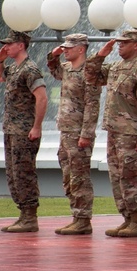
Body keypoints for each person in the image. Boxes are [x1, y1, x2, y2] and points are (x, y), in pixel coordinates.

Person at [85, 29, 137, 238]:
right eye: (119, 43)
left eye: (124, 43)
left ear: (136, 45)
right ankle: (127, 218)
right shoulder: (117, 67)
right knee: (117, 177)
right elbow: (90, 75)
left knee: (131, 177)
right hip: (115, 131)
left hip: (131, 134)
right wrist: (100, 55)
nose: (119, 45)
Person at [46, 33, 102, 235]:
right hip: (66, 131)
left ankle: (83, 219)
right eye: (65, 46)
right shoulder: (68, 69)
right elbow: (54, 70)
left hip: (79, 132)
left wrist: (86, 134)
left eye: (69, 47)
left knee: (80, 177)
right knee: (68, 176)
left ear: (81, 49)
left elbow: (92, 105)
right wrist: (53, 56)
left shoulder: (89, 72)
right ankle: (76, 216)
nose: (65, 50)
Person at [0, 30, 47, 233]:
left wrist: (36, 126)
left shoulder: (30, 69)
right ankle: (23, 214)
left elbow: (42, 98)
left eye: (9, 44)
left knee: (24, 173)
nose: (6, 47)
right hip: (11, 129)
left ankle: (30, 217)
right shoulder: (15, 69)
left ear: (21, 46)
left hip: (24, 130)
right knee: (14, 173)